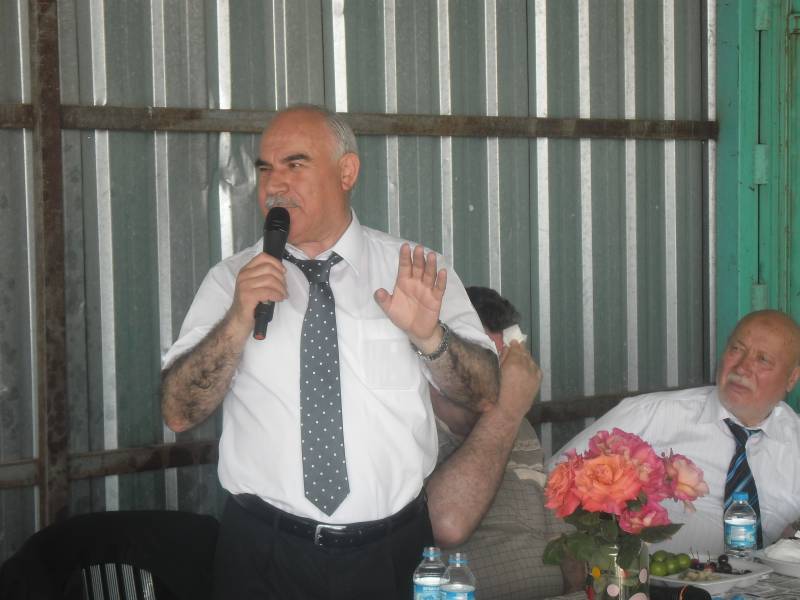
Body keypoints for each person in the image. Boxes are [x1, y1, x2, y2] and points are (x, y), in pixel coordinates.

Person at [160, 104, 500, 599]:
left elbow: (485, 393)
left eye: (294, 164)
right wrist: (237, 319)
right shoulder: (230, 280)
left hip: (391, 553)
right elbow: (178, 412)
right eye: (265, 169)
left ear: (346, 172)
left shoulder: (414, 269)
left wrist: (429, 337)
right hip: (263, 554)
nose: (274, 185)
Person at [547, 309, 800, 555]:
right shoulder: (652, 414)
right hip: (653, 578)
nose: (742, 367)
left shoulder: (795, 441)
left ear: (791, 378)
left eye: (762, 360)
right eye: (736, 349)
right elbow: (556, 476)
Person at [426, 287, 584, 598]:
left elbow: (562, 541)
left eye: (504, 361)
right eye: (485, 363)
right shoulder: (416, 432)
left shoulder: (519, 427)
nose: (500, 377)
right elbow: (446, 523)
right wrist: (507, 410)